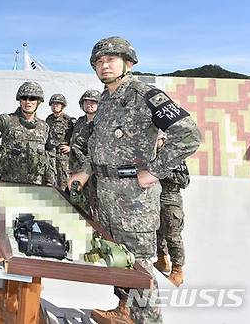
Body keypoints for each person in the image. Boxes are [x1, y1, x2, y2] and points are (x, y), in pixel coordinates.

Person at [68, 36, 200, 324]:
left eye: (111, 60)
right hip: (105, 196)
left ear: (127, 63)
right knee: (117, 258)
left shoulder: (146, 95)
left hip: (134, 202)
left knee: (140, 269)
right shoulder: (104, 101)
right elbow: (99, 147)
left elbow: (189, 135)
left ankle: (147, 321)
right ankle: (123, 311)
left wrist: (155, 170)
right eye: (99, 62)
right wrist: (85, 170)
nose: (104, 66)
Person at [0, 81, 54, 185]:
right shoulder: (8, 120)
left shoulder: (44, 127)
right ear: (20, 101)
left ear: (38, 102)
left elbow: (50, 154)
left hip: (35, 186)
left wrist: (50, 181)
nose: (28, 102)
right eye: (24, 98)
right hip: (9, 183)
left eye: (32, 98)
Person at [153, 150, 190, 287]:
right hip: (153, 198)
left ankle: (177, 269)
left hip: (170, 200)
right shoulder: (150, 152)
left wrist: (161, 172)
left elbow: (185, 181)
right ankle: (162, 260)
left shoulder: (176, 155)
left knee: (172, 234)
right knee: (157, 231)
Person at [69, 89, 101, 218]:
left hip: (93, 173)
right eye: (86, 102)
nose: (90, 105)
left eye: (94, 102)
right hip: (76, 170)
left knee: (95, 205)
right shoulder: (80, 122)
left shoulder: (101, 123)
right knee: (79, 204)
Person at [45, 94, 75, 190]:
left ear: (63, 106)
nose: (55, 106)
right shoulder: (48, 119)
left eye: (58, 104)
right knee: (50, 181)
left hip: (63, 158)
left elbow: (77, 137)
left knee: (64, 183)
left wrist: (71, 147)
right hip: (50, 156)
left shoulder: (69, 121)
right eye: (53, 104)